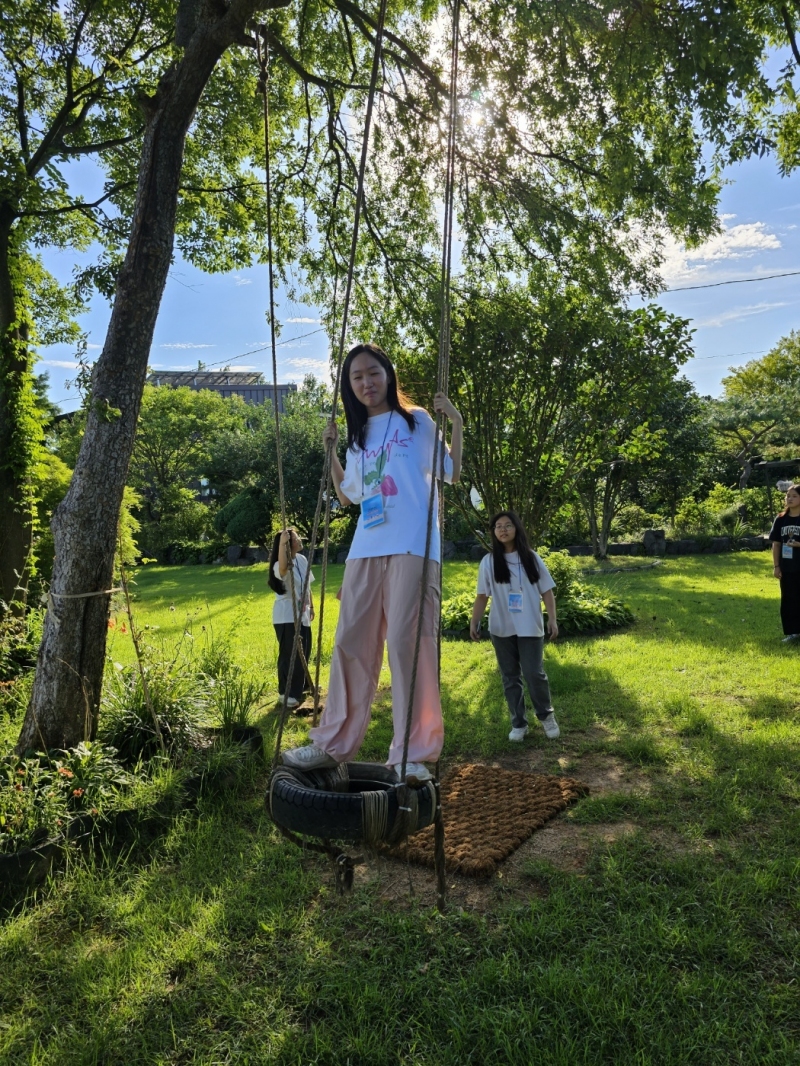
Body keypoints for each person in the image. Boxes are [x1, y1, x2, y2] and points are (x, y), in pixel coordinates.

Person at [282, 341, 463, 781]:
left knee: (407, 644)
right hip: (365, 547)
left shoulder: (417, 421)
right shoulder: (358, 436)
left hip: (414, 546)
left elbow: (451, 472)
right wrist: (331, 454)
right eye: (357, 377)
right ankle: (331, 745)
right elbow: (348, 496)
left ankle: (412, 754)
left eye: (373, 372)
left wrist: (456, 422)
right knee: (350, 643)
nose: (367, 382)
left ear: (388, 374)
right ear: (349, 385)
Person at [470, 510, 561, 741]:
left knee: (534, 673)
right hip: (501, 627)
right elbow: (482, 596)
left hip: (530, 625)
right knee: (510, 677)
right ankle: (518, 723)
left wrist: (552, 618)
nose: (503, 530)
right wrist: (474, 620)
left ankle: (546, 716)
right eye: (498, 526)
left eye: (508, 525)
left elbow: (547, 591)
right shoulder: (489, 561)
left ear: (516, 529)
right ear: (493, 532)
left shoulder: (531, 558)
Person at [268, 528, 314, 708]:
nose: (299, 539)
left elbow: (307, 584)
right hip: (287, 615)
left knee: (305, 651)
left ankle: (301, 687)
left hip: (303, 613)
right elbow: (283, 568)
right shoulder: (279, 565)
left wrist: (311, 606)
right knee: (290, 655)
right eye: (295, 538)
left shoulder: (301, 559)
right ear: (287, 544)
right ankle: (286, 694)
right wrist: (281, 543)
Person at [769, 483, 800, 643]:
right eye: (788, 496)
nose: (790, 499)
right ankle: (793, 633)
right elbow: (776, 544)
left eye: (794, 496)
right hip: (787, 567)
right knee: (789, 600)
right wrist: (776, 566)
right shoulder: (780, 519)